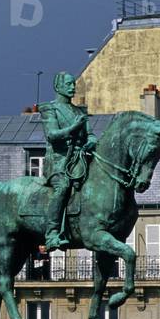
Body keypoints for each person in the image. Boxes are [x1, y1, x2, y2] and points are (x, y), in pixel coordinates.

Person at [38, 71, 97, 251]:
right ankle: (52, 233)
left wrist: (91, 142)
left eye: (74, 84)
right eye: (69, 84)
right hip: (59, 161)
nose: (73, 87)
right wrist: (73, 128)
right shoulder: (50, 109)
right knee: (63, 186)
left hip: (80, 159)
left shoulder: (79, 111)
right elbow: (52, 135)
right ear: (58, 87)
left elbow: (91, 135)